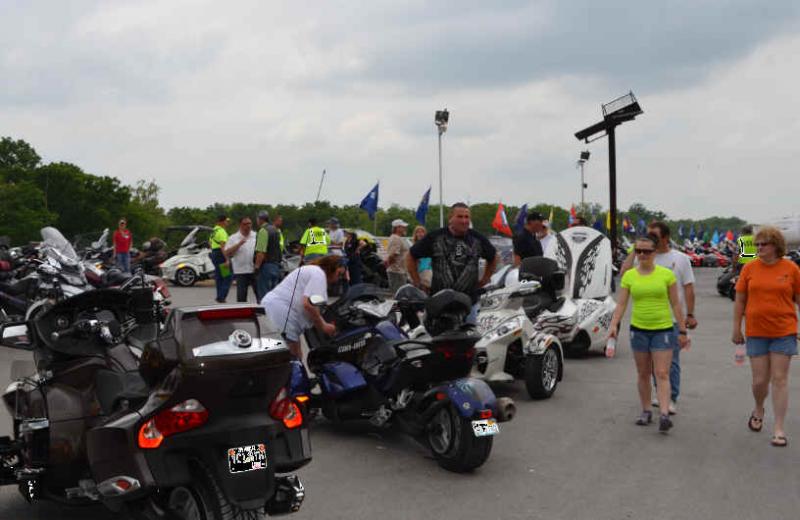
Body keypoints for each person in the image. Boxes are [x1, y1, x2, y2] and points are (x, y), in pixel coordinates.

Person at [608, 234, 690, 433]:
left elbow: (676, 304)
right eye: (638, 251)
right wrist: (613, 325)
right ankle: (646, 410)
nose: (642, 254)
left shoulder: (666, 275)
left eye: (647, 251)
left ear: (655, 252)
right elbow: (621, 304)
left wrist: (682, 329)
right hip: (639, 330)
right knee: (643, 373)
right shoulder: (629, 276)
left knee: (662, 373)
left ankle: (663, 414)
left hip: (662, 329)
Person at [732, 226, 800, 447]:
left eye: (764, 244)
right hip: (756, 332)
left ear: (776, 246)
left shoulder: (791, 269)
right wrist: (736, 328)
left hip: (784, 331)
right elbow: (740, 300)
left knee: (780, 379)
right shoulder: (749, 269)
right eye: (757, 244)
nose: (759, 248)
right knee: (760, 381)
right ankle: (759, 407)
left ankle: (779, 428)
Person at [621, 221, 697, 415]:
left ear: (665, 237)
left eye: (654, 234)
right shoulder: (643, 256)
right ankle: (660, 395)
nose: (651, 237)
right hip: (645, 321)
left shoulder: (680, 259)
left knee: (670, 364)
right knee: (651, 365)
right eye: (648, 234)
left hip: (671, 319)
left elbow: (688, 288)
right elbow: (624, 274)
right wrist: (634, 249)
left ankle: (671, 398)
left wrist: (689, 315)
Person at [407, 203, 497, 322]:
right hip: (440, 304)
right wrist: (417, 283)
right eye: (460, 217)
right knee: (438, 339)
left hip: (469, 304)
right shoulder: (435, 237)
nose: (464, 220)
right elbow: (410, 256)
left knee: (469, 339)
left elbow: (493, 256)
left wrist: (485, 279)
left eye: (467, 217)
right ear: (450, 219)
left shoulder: (477, 239)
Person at [261, 255, 344, 360]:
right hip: (282, 313)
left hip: (275, 308)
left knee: (296, 354)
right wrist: (323, 326)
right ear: (331, 268)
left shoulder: (312, 271)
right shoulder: (319, 274)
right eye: (339, 274)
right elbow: (308, 304)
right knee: (292, 359)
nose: (338, 279)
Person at [224, 217, 257, 303]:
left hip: (255, 270)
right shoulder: (233, 238)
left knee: (260, 294)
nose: (248, 226)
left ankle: (262, 311)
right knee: (241, 296)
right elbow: (227, 252)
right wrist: (239, 244)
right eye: (245, 224)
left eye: (250, 223)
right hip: (241, 271)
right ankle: (242, 313)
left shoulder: (256, 236)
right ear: (240, 225)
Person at [254, 210, 282, 300]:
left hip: (266, 266)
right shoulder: (275, 230)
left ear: (260, 219)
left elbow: (261, 252)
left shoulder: (263, 231)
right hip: (276, 265)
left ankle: (265, 312)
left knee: (264, 294)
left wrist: (257, 267)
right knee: (274, 294)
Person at [209, 214, 233, 303]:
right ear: (222, 222)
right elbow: (223, 246)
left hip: (214, 253)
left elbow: (210, 243)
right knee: (227, 277)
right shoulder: (222, 231)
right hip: (221, 254)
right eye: (226, 221)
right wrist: (226, 259)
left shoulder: (213, 230)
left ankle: (219, 295)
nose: (227, 223)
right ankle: (221, 297)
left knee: (219, 277)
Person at [385, 219, 410, 294]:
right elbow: (393, 255)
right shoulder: (396, 238)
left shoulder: (396, 238)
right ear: (397, 228)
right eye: (403, 227)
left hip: (399, 270)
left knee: (399, 293)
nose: (405, 228)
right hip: (397, 271)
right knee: (398, 294)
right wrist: (392, 266)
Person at [412, 225, 432, 290]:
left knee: (426, 287)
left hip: (427, 269)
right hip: (417, 270)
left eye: (422, 232)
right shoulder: (414, 245)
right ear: (415, 234)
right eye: (418, 232)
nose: (420, 234)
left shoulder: (428, 244)